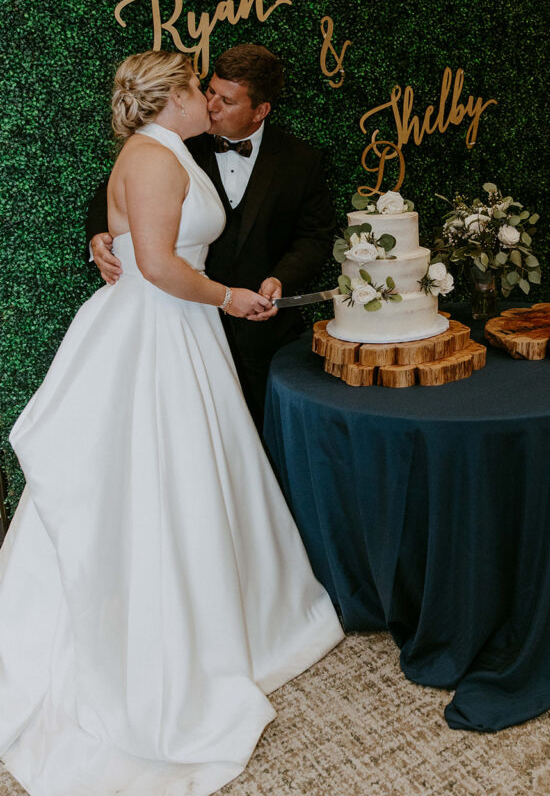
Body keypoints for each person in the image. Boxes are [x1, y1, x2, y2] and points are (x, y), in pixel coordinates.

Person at [0, 50, 344, 796]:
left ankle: (214, 608)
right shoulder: (154, 157)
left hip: (179, 332)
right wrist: (228, 298)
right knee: (154, 478)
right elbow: (157, 264)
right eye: (197, 87)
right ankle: (152, 634)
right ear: (172, 98)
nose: (207, 99)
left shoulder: (163, 151)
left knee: (193, 473)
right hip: (157, 332)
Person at [88, 43, 336, 430]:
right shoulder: (168, 147)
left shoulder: (300, 160)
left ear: (261, 110)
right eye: (206, 91)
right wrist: (101, 239)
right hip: (172, 316)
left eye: (227, 100)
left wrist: (279, 279)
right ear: (178, 97)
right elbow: (111, 200)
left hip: (253, 330)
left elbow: (315, 236)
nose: (211, 104)